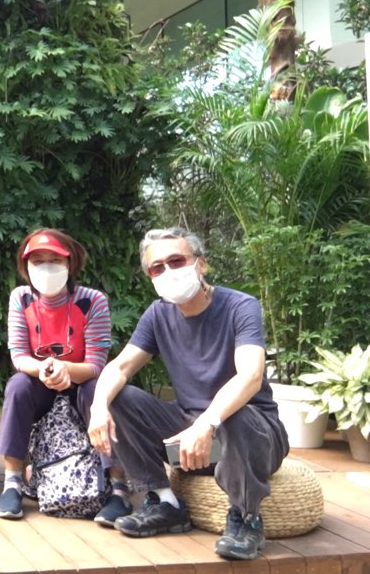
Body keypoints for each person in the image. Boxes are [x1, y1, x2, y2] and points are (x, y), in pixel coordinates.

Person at [87, 227, 289, 561]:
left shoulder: (240, 306)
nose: (168, 271)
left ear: (201, 263)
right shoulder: (158, 314)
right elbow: (119, 367)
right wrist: (98, 407)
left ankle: (246, 518)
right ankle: (164, 503)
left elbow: (251, 375)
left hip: (254, 438)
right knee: (118, 397)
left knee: (234, 414)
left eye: (176, 261)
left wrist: (206, 423)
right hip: (192, 444)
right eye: (157, 267)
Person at [0, 229, 112, 520]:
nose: (47, 268)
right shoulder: (21, 298)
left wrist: (66, 369)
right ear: (26, 267)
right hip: (41, 381)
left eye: (55, 260)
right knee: (18, 386)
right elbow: (19, 355)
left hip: (80, 383)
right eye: (38, 261)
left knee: (100, 391)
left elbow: (96, 363)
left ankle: (117, 486)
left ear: (70, 263)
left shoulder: (92, 301)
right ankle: (12, 483)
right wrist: (44, 369)